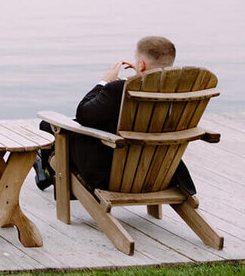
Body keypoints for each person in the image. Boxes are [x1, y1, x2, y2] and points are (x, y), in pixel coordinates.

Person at [35, 35, 195, 194]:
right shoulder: (179, 91)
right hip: (160, 170)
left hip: (112, 172)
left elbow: (84, 114)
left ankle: (47, 173)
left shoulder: (118, 89)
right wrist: (141, 74)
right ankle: (46, 174)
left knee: (49, 125)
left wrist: (104, 82)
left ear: (141, 63)